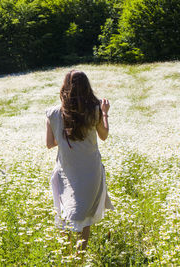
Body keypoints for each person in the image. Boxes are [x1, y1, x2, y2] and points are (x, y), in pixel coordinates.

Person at [45, 70, 114, 251]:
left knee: (66, 210)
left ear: (65, 87)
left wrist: (65, 134)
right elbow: (104, 135)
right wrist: (105, 113)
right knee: (84, 216)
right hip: (90, 171)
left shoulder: (52, 113)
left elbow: (50, 144)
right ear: (86, 87)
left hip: (66, 170)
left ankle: (69, 255)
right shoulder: (95, 110)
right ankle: (79, 257)